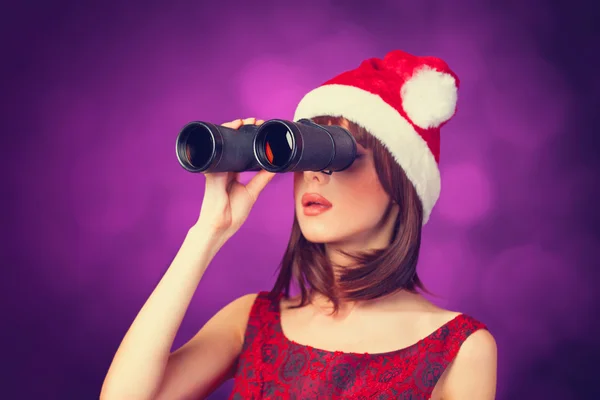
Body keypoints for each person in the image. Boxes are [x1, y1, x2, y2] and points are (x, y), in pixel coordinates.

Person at [101, 49, 497, 399]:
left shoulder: (461, 349)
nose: (313, 175)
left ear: (401, 184)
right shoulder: (251, 320)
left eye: (338, 155)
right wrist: (207, 232)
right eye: (306, 155)